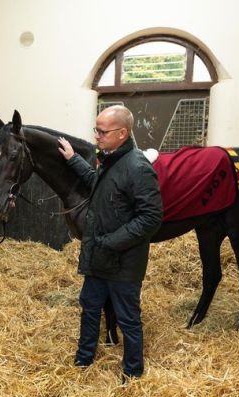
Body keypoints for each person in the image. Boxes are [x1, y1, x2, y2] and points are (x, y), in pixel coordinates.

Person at [57, 105, 162, 380]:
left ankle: (132, 373)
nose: (97, 137)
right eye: (96, 130)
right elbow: (98, 183)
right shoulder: (110, 159)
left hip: (122, 263)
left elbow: (151, 217)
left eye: (102, 132)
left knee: (128, 319)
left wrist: (111, 242)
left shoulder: (138, 167)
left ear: (122, 133)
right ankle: (83, 360)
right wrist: (73, 159)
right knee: (90, 308)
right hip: (99, 258)